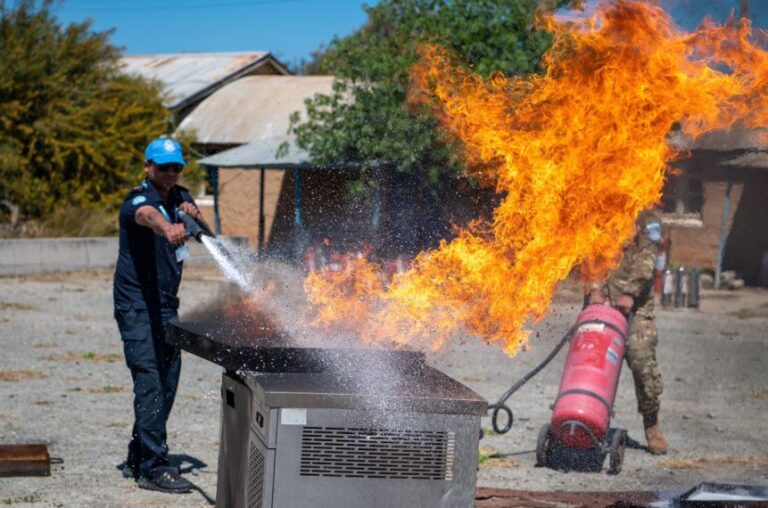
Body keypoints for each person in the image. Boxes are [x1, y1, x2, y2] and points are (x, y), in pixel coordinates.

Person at [113, 137, 210, 493]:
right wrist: (166, 227)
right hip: (137, 306)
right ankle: (153, 467)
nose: (170, 173)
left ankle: (140, 453)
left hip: (167, 306)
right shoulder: (139, 199)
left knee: (168, 382)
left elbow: (201, 232)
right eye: (163, 167)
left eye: (176, 167)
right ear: (148, 167)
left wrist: (194, 217)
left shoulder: (181, 197)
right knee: (150, 382)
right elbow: (145, 216)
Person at [587, 209, 668, 455]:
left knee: (642, 360)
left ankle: (651, 424)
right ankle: (589, 421)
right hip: (601, 304)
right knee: (590, 362)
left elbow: (647, 260)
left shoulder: (649, 221)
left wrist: (630, 293)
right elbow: (590, 255)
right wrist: (594, 288)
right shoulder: (602, 210)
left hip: (636, 309)